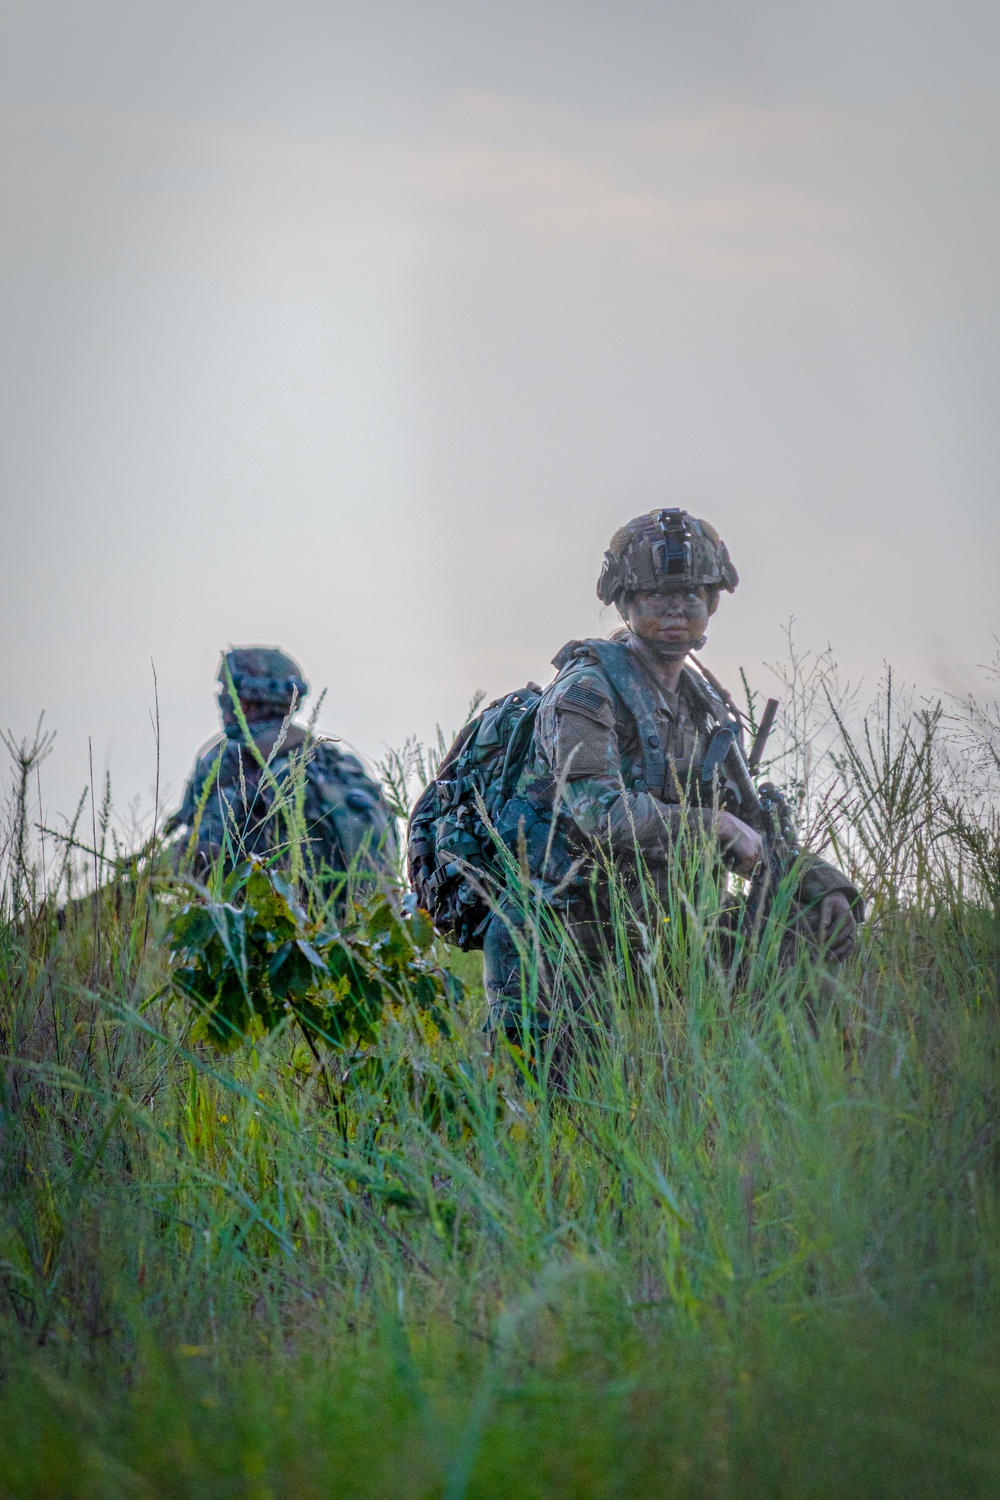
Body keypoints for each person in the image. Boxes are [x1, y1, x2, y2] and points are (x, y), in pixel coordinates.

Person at [483, 508, 863, 1041]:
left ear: (712, 603)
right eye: (656, 596)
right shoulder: (586, 692)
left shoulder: (700, 702)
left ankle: (785, 1113)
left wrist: (825, 888)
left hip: (661, 928)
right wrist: (716, 826)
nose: (676, 609)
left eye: (692, 596)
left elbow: (754, 826)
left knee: (809, 945)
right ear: (626, 602)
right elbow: (601, 815)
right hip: (561, 939)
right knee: (570, 1110)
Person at [165, 646, 397, 896]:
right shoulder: (335, 761)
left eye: (226, 691)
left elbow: (199, 854)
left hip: (270, 922)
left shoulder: (233, 758)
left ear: (244, 701)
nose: (221, 700)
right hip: (357, 922)